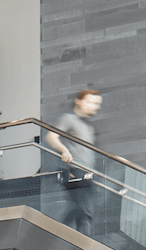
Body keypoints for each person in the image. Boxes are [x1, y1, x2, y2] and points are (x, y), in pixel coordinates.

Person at [45, 89, 105, 234]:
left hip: (87, 174)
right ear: (79, 102)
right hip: (74, 171)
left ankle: (58, 234)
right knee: (84, 211)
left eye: (97, 104)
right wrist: (63, 150)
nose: (96, 107)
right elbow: (51, 137)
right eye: (91, 102)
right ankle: (65, 237)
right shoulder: (68, 119)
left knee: (82, 210)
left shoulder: (89, 127)